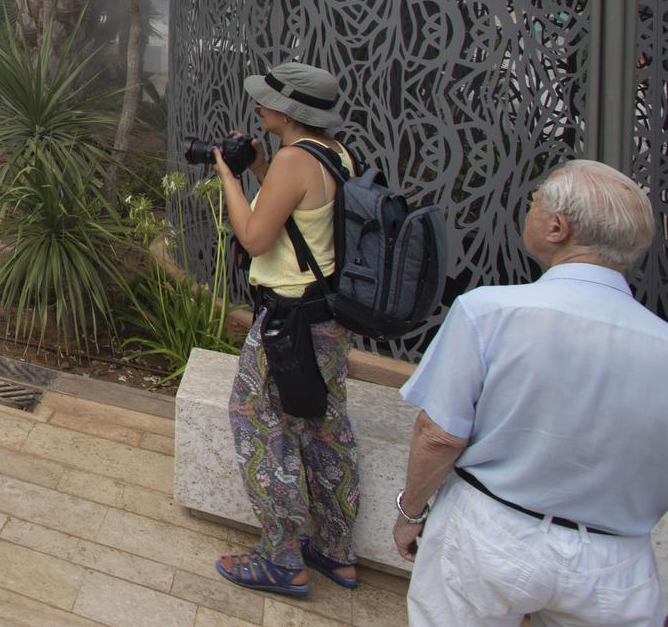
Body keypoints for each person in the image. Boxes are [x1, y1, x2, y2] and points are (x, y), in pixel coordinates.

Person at [397, 161, 667, 626]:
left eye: (535, 203)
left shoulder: (488, 313)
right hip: (616, 564)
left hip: (488, 533)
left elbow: (440, 435)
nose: (530, 211)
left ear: (558, 227)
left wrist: (411, 510)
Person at [210, 63, 360, 599]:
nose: (259, 105)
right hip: (327, 320)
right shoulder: (333, 153)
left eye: (267, 99)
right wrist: (257, 169)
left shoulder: (294, 161)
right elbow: (301, 216)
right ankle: (336, 551)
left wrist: (227, 176)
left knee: (254, 420)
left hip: (289, 321)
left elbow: (254, 237)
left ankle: (280, 557)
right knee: (323, 424)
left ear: (290, 112)